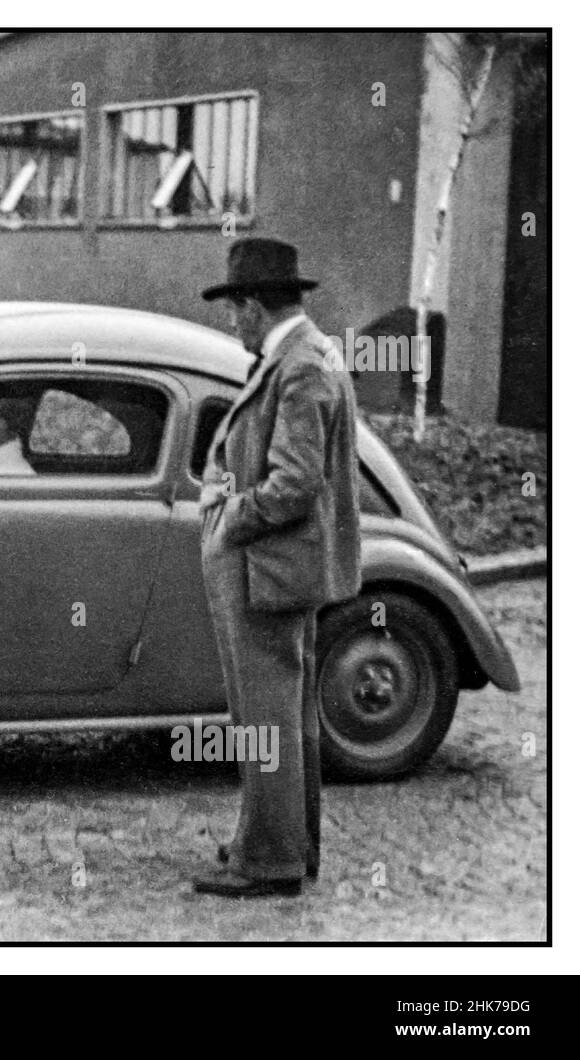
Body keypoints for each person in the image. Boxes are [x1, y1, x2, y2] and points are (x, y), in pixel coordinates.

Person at [193, 238, 362, 899]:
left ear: (256, 307)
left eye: (234, 307)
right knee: (288, 719)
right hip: (282, 569)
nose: (231, 321)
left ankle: (268, 861)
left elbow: (294, 483)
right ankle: (287, 846)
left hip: (268, 571)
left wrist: (231, 514)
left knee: (267, 718)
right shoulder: (305, 357)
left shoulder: (299, 368)